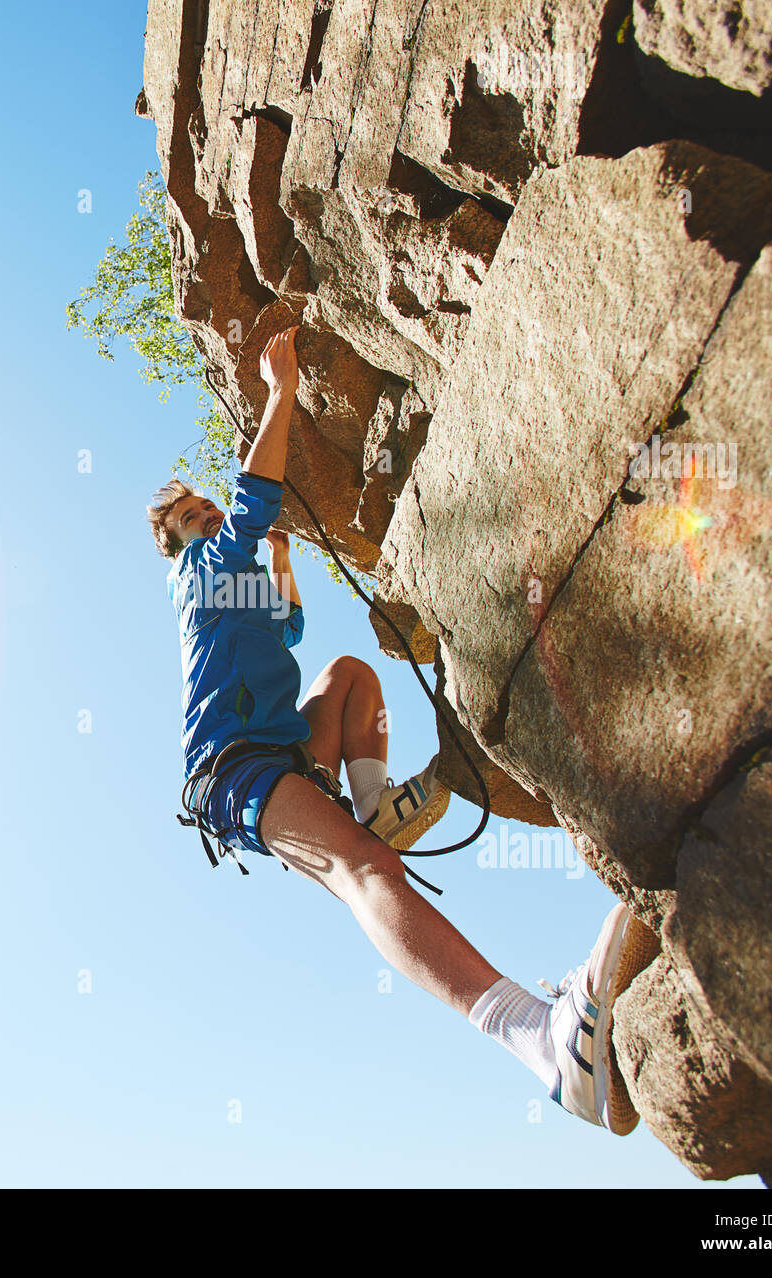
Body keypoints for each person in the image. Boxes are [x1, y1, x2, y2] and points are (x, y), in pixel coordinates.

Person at [146, 326, 656, 1135]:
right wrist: (279, 392)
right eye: (192, 514)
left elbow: (288, 633)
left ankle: (374, 804)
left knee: (349, 674)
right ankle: (544, 1042)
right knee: (364, 872)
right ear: (173, 541)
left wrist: (282, 559)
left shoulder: (229, 578)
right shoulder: (195, 568)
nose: (206, 514)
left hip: (280, 753)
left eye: (203, 504)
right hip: (233, 770)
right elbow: (249, 508)